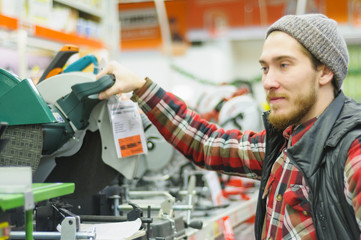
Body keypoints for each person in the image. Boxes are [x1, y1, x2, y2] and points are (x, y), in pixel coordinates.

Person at [97, 14, 361, 239]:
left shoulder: (352, 151)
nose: (268, 81)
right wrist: (141, 88)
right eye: (265, 68)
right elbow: (206, 143)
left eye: (283, 65)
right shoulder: (285, 143)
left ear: (325, 72)